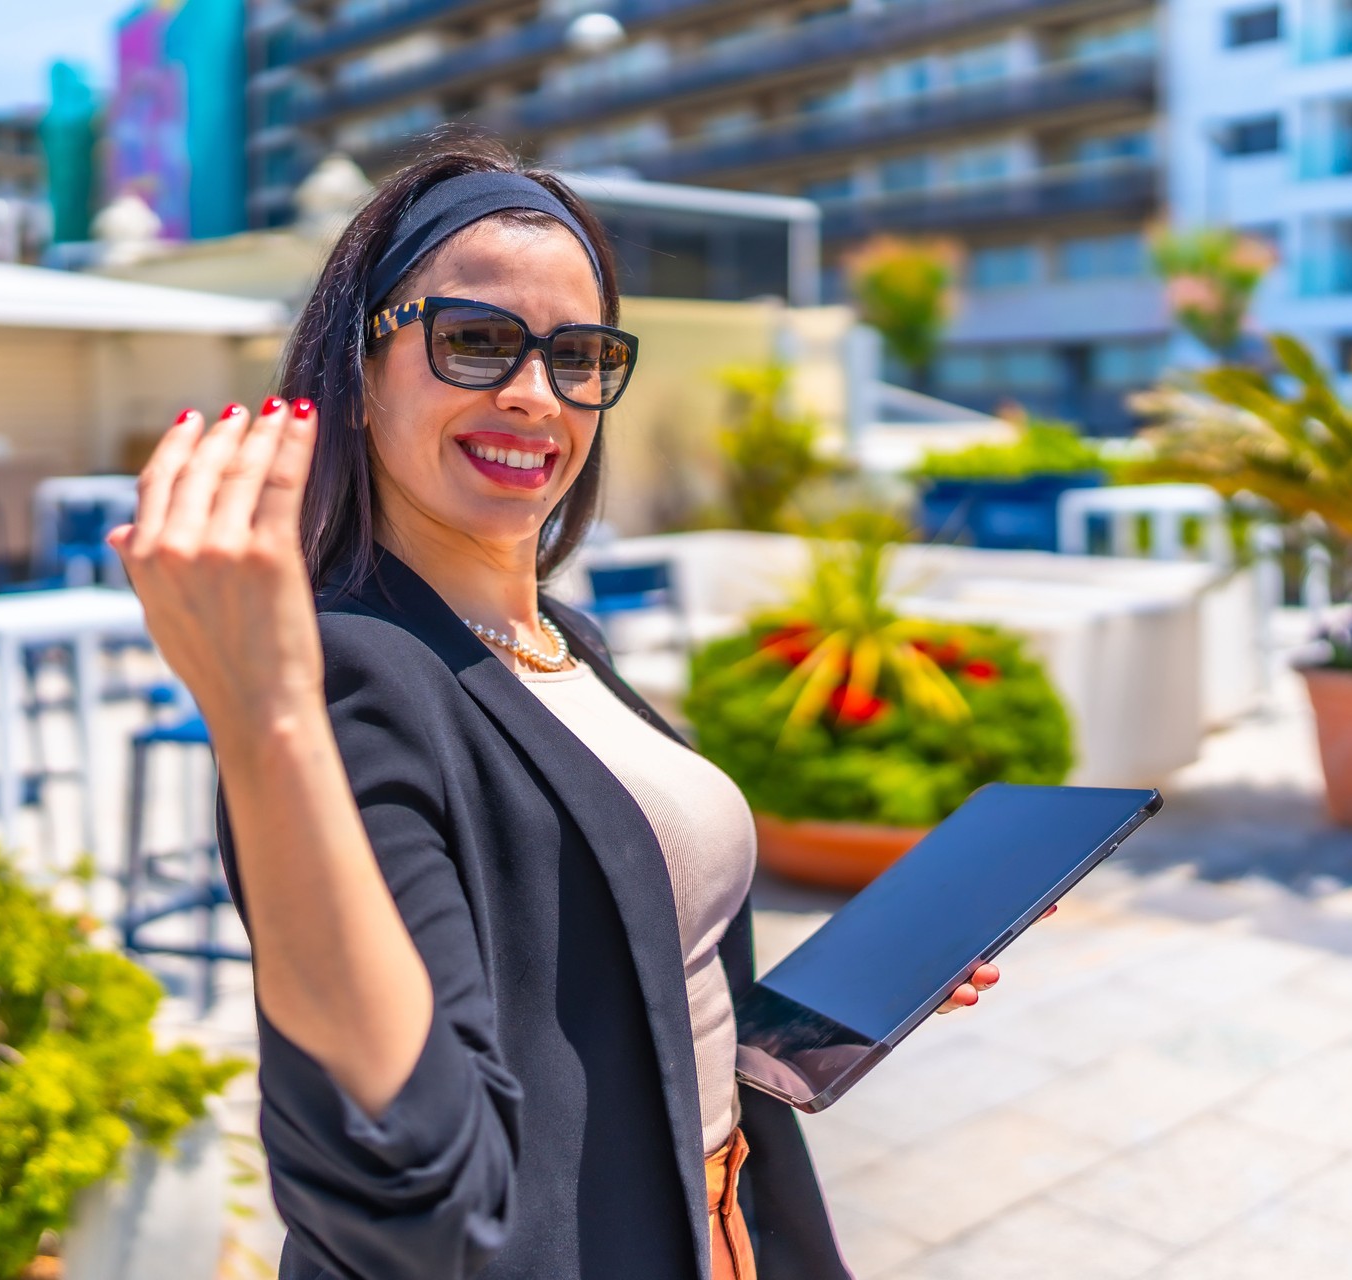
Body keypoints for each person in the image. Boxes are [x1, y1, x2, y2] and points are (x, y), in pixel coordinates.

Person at [112, 140, 1025, 1280]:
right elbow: (410, 1178)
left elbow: (615, 984)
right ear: (361, 363)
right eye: (478, 340)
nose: (535, 394)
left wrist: (850, 991)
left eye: (579, 355)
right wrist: (265, 718)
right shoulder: (353, 675)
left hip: (719, 1223)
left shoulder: (565, 640)